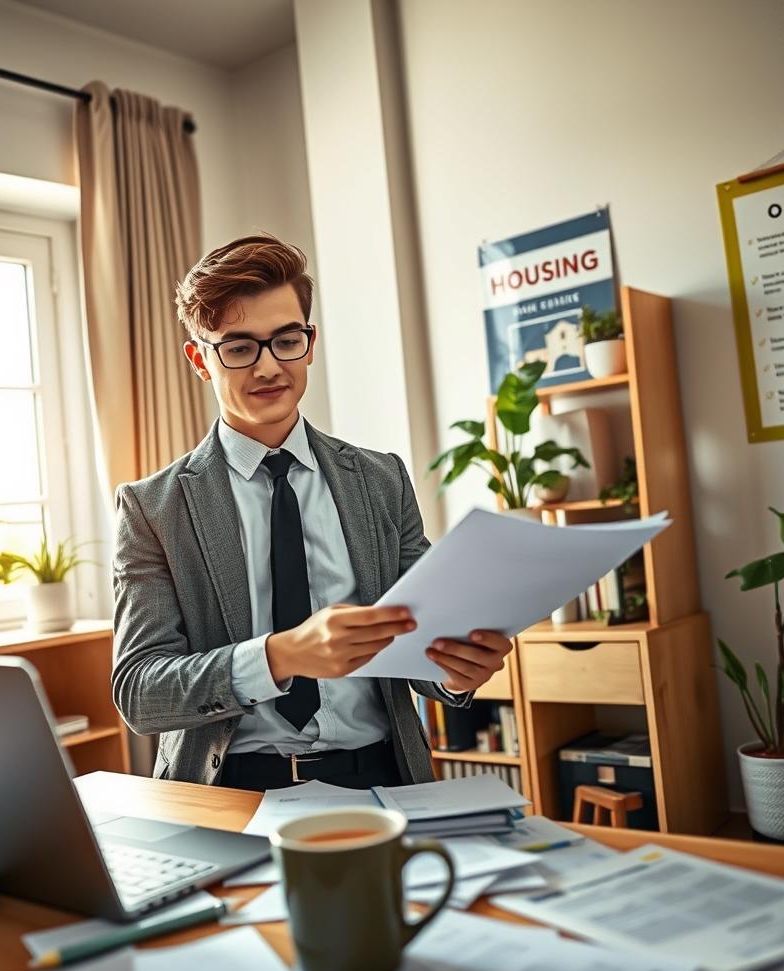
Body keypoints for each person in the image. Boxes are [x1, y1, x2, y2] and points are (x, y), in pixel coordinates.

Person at [112, 234, 512, 791]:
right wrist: (280, 656)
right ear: (200, 360)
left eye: (286, 339)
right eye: (239, 347)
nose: (269, 366)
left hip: (381, 779)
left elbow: (422, 645)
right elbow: (140, 693)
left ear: (310, 340)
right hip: (233, 791)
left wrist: (455, 673)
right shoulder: (153, 508)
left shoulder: (381, 480)